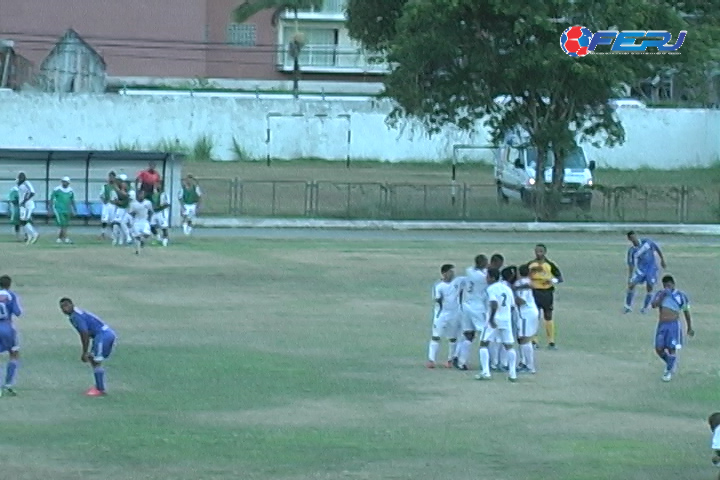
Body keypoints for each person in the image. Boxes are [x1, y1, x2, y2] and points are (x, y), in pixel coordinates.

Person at [59, 298, 117, 396]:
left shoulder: (76, 316)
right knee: (94, 359)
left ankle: (100, 389)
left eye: (67, 306)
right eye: (62, 307)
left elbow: (84, 333)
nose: (65, 309)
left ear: (72, 305)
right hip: (106, 334)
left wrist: (84, 351)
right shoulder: (77, 313)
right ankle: (99, 386)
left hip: (102, 336)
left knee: (95, 360)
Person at [475, 268, 518, 382]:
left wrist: (492, 318)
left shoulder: (491, 289)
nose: (486, 279)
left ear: (492, 278)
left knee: (483, 343)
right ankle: (512, 374)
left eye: (488, 277)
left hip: (494, 319)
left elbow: (494, 303)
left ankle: (486, 372)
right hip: (506, 320)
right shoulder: (507, 289)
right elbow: (512, 306)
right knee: (509, 346)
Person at [650, 275, 693, 382]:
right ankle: (671, 362)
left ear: (673, 284)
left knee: (671, 348)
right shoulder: (661, 294)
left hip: (673, 325)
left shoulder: (680, 296)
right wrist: (662, 296)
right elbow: (654, 305)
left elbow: (686, 311)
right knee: (659, 348)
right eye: (665, 285)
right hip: (662, 325)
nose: (667, 287)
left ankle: (668, 371)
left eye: (668, 285)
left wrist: (689, 327)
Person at [526, 244, 563, 349]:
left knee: (548, 315)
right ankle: (534, 340)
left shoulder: (550, 264)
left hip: (547, 293)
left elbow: (560, 278)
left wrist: (551, 280)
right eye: (537, 251)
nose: (539, 253)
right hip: (534, 292)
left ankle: (551, 341)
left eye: (541, 251)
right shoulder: (530, 265)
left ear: (545, 252)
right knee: (534, 316)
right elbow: (523, 274)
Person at [456, 254, 489, 370]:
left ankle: (460, 361)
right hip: (477, 307)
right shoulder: (482, 277)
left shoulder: (469, 271)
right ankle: (489, 362)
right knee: (485, 334)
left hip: (466, 305)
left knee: (468, 334)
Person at [427, 264, 462, 369]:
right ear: (444, 273)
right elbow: (438, 300)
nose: (453, 274)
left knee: (453, 338)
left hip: (454, 314)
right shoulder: (439, 286)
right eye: (450, 272)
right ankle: (431, 360)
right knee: (436, 336)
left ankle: (450, 360)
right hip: (441, 314)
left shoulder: (457, 283)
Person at [625, 231, 666, 314]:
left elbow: (657, 248)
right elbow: (631, 264)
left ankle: (645, 308)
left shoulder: (647, 242)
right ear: (629, 239)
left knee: (650, 287)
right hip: (641, 269)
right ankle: (628, 306)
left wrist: (662, 260)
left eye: (634, 237)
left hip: (651, 269)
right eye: (632, 238)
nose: (634, 239)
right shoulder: (632, 251)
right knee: (631, 285)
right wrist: (630, 276)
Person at [514, 265, 539, 373]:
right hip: (531, 312)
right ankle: (523, 362)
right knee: (522, 338)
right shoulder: (527, 282)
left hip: (525, 313)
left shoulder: (520, 283)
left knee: (524, 339)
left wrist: (511, 297)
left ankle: (529, 366)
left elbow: (521, 301)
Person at [0, 275, 22, 396]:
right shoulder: (11, 295)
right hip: (7, 328)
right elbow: (18, 312)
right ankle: (8, 384)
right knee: (14, 354)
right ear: (9, 284)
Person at [50, 176, 77, 244]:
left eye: (66, 182)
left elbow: (72, 200)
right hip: (58, 209)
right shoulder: (57, 189)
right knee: (62, 224)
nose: (65, 183)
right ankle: (65, 238)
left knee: (65, 224)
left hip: (67, 209)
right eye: (64, 182)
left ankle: (60, 238)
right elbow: (51, 199)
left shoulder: (70, 190)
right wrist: (50, 209)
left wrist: (74, 209)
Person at [128, 190, 154, 255]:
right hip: (137, 221)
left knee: (147, 233)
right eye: (140, 194)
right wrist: (133, 216)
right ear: (137, 195)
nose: (141, 196)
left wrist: (149, 219)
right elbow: (131, 213)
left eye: (142, 194)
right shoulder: (133, 204)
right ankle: (137, 250)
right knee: (136, 236)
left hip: (145, 221)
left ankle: (142, 241)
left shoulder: (148, 203)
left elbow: (151, 211)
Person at [16, 172, 39, 244]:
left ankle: (34, 234)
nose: (21, 178)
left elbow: (32, 192)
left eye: (22, 177)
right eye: (20, 177)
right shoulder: (18, 184)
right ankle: (29, 236)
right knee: (22, 221)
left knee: (25, 220)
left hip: (28, 204)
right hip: (22, 205)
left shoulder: (27, 183)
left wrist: (25, 201)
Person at [111, 174, 132, 246]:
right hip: (119, 209)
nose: (123, 183)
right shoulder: (115, 190)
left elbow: (126, 198)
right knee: (116, 225)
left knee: (124, 224)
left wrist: (118, 190)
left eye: (124, 182)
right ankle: (115, 239)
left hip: (128, 210)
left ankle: (124, 240)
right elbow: (115, 201)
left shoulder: (130, 191)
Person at [150, 181, 171, 247]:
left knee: (164, 227)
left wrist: (159, 207)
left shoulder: (165, 194)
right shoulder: (154, 194)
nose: (156, 186)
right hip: (155, 212)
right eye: (156, 185)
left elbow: (168, 204)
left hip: (162, 213)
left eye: (158, 185)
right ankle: (158, 238)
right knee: (151, 226)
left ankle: (165, 241)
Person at [99, 171, 117, 240]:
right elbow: (101, 195)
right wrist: (104, 200)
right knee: (104, 220)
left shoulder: (116, 187)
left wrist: (116, 202)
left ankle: (113, 234)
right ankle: (103, 233)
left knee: (113, 221)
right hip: (106, 205)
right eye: (110, 177)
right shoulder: (105, 186)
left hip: (113, 205)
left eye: (113, 177)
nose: (111, 178)